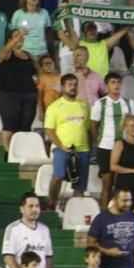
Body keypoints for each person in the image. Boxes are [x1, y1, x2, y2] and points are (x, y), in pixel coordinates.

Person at [45, 72, 92, 208]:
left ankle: (75, 212)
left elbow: (88, 128)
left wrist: (89, 146)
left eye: (75, 85)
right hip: (62, 149)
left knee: (80, 186)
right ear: (62, 87)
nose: (73, 87)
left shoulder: (84, 105)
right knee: (58, 176)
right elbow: (49, 130)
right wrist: (61, 146)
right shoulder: (55, 107)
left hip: (82, 149)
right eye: (70, 85)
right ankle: (51, 202)